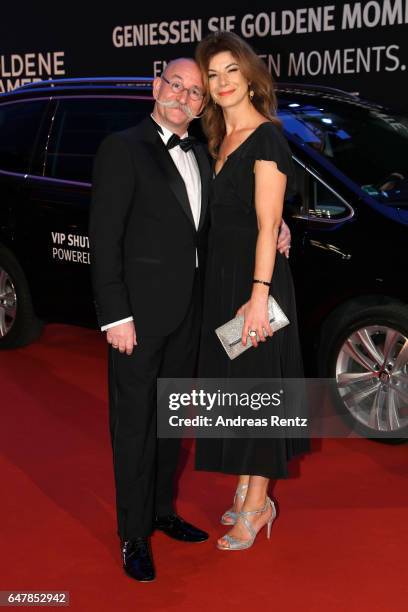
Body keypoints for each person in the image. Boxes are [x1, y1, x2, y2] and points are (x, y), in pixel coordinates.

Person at [90, 57, 291, 580]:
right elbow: (104, 240)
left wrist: (279, 223)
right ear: (156, 87)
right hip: (138, 319)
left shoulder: (205, 152)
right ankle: (134, 535)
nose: (183, 96)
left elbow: (233, 212)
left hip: (193, 315)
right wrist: (115, 315)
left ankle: (161, 511)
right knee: (134, 428)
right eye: (174, 85)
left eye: (194, 92)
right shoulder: (123, 148)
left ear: (203, 105)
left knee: (170, 424)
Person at [194, 32, 310, 551]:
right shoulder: (218, 140)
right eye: (212, 75)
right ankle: (245, 483)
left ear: (249, 76)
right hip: (222, 281)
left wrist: (259, 295)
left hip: (254, 284)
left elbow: (267, 226)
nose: (220, 83)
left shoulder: (267, 137)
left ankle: (258, 505)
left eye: (229, 72)